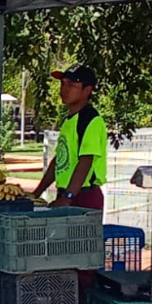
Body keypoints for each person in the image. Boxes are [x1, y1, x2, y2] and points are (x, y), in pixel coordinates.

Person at [33, 64, 108, 210]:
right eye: (63, 84)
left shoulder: (90, 119)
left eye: (72, 85)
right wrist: (37, 192)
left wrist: (68, 197)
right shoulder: (69, 120)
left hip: (83, 197)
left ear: (87, 90)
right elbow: (60, 160)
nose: (64, 89)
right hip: (67, 194)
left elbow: (86, 160)